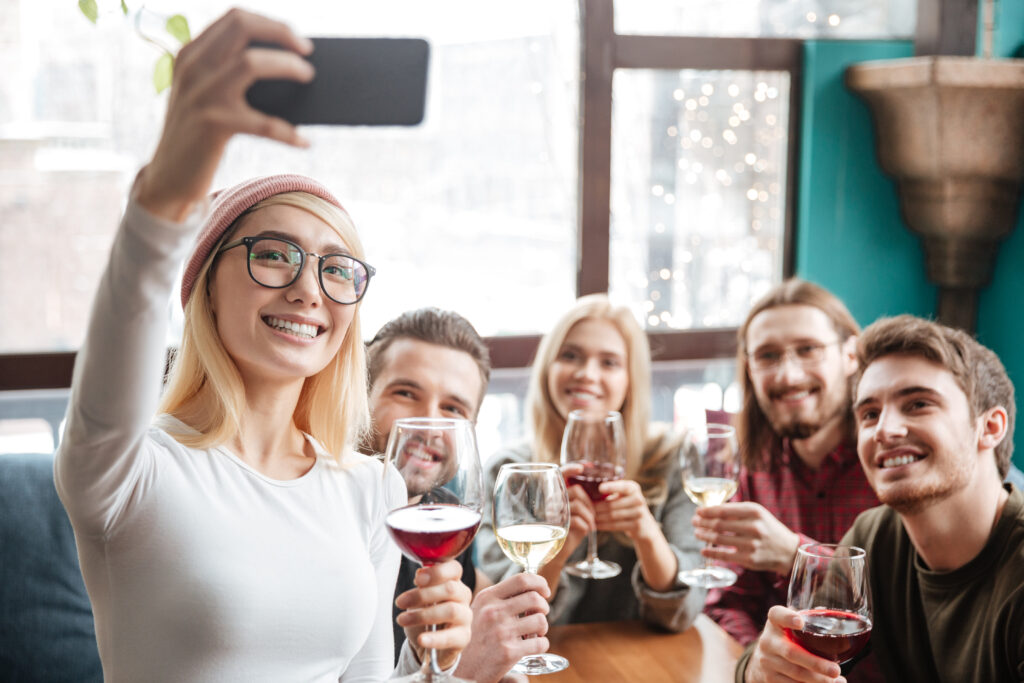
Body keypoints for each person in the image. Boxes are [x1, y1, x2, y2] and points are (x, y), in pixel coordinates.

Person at [53, 10, 470, 681]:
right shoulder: (129, 468)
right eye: (274, 254)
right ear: (205, 288)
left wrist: (442, 666)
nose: (309, 290)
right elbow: (129, 298)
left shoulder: (369, 486)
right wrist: (168, 187)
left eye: (336, 269)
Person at [740, 314, 1024, 682]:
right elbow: (784, 654)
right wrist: (761, 669)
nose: (885, 431)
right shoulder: (876, 536)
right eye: (870, 413)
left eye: (918, 404)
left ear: (989, 427)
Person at [477, 294, 705, 630]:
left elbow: (682, 613)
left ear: (631, 379)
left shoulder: (670, 457)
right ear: (547, 368)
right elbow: (506, 619)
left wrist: (645, 532)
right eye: (570, 356)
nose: (586, 374)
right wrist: (561, 537)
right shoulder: (510, 470)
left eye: (609, 362)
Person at [365, 308, 553, 683]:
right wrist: (467, 673)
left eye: (452, 409)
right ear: (360, 395)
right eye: (406, 393)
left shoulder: (448, 513)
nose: (430, 424)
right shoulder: (321, 514)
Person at [694, 279, 879, 645]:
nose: (788, 376)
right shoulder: (745, 467)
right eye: (767, 355)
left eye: (808, 349)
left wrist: (797, 556)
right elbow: (728, 603)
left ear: (850, 355)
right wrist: (757, 664)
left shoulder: (889, 460)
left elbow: (911, 606)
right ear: (749, 369)